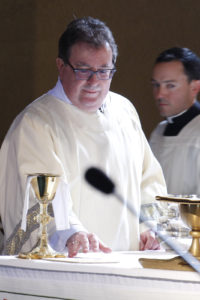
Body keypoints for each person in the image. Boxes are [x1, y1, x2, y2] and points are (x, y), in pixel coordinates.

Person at [0, 17, 166, 257]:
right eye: (83, 70)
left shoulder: (124, 111)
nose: (94, 82)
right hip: (71, 267)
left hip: (127, 266)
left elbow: (148, 180)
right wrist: (72, 234)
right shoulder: (36, 123)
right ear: (60, 65)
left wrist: (148, 227)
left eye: (104, 71)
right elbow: (37, 200)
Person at [150, 47, 200, 195]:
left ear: (195, 87)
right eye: (156, 85)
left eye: (170, 85)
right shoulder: (158, 132)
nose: (159, 94)